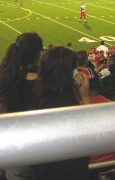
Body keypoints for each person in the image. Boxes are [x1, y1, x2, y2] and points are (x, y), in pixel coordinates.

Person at [32, 46, 90, 180]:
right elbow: (91, 138)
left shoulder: (37, 96)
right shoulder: (67, 105)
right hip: (70, 172)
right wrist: (85, 98)